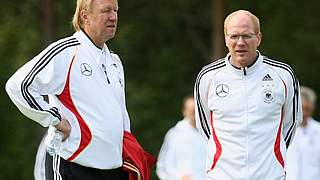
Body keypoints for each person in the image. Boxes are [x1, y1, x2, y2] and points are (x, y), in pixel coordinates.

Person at [6, 0, 132, 179]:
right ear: (85, 15)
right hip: (72, 167)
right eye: (106, 11)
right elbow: (18, 85)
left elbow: (121, 115)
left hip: (114, 171)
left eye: (115, 10)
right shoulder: (66, 52)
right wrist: (55, 118)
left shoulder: (115, 62)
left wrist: (129, 151)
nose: (113, 17)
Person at [194, 10, 302, 180]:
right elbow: (205, 126)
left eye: (247, 36)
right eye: (234, 36)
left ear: (258, 38)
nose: (240, 42)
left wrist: (273, 158)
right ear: (225, 39)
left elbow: (291, 123)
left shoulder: (283, 75)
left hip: (270, 176)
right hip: (222, 176)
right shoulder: (208, 77)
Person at [156, 96, 207, 180]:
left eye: (195, 110)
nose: (194, 113)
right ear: (184, 111)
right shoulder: (175, 134)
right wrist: (179, 177)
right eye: (191, 110)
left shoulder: (207, 134)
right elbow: (163, 166)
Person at [286, 86, 320, 180]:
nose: (304, 114)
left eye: (307, 109)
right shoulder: (285, 129)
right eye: (302, 109)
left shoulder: (318, 130)